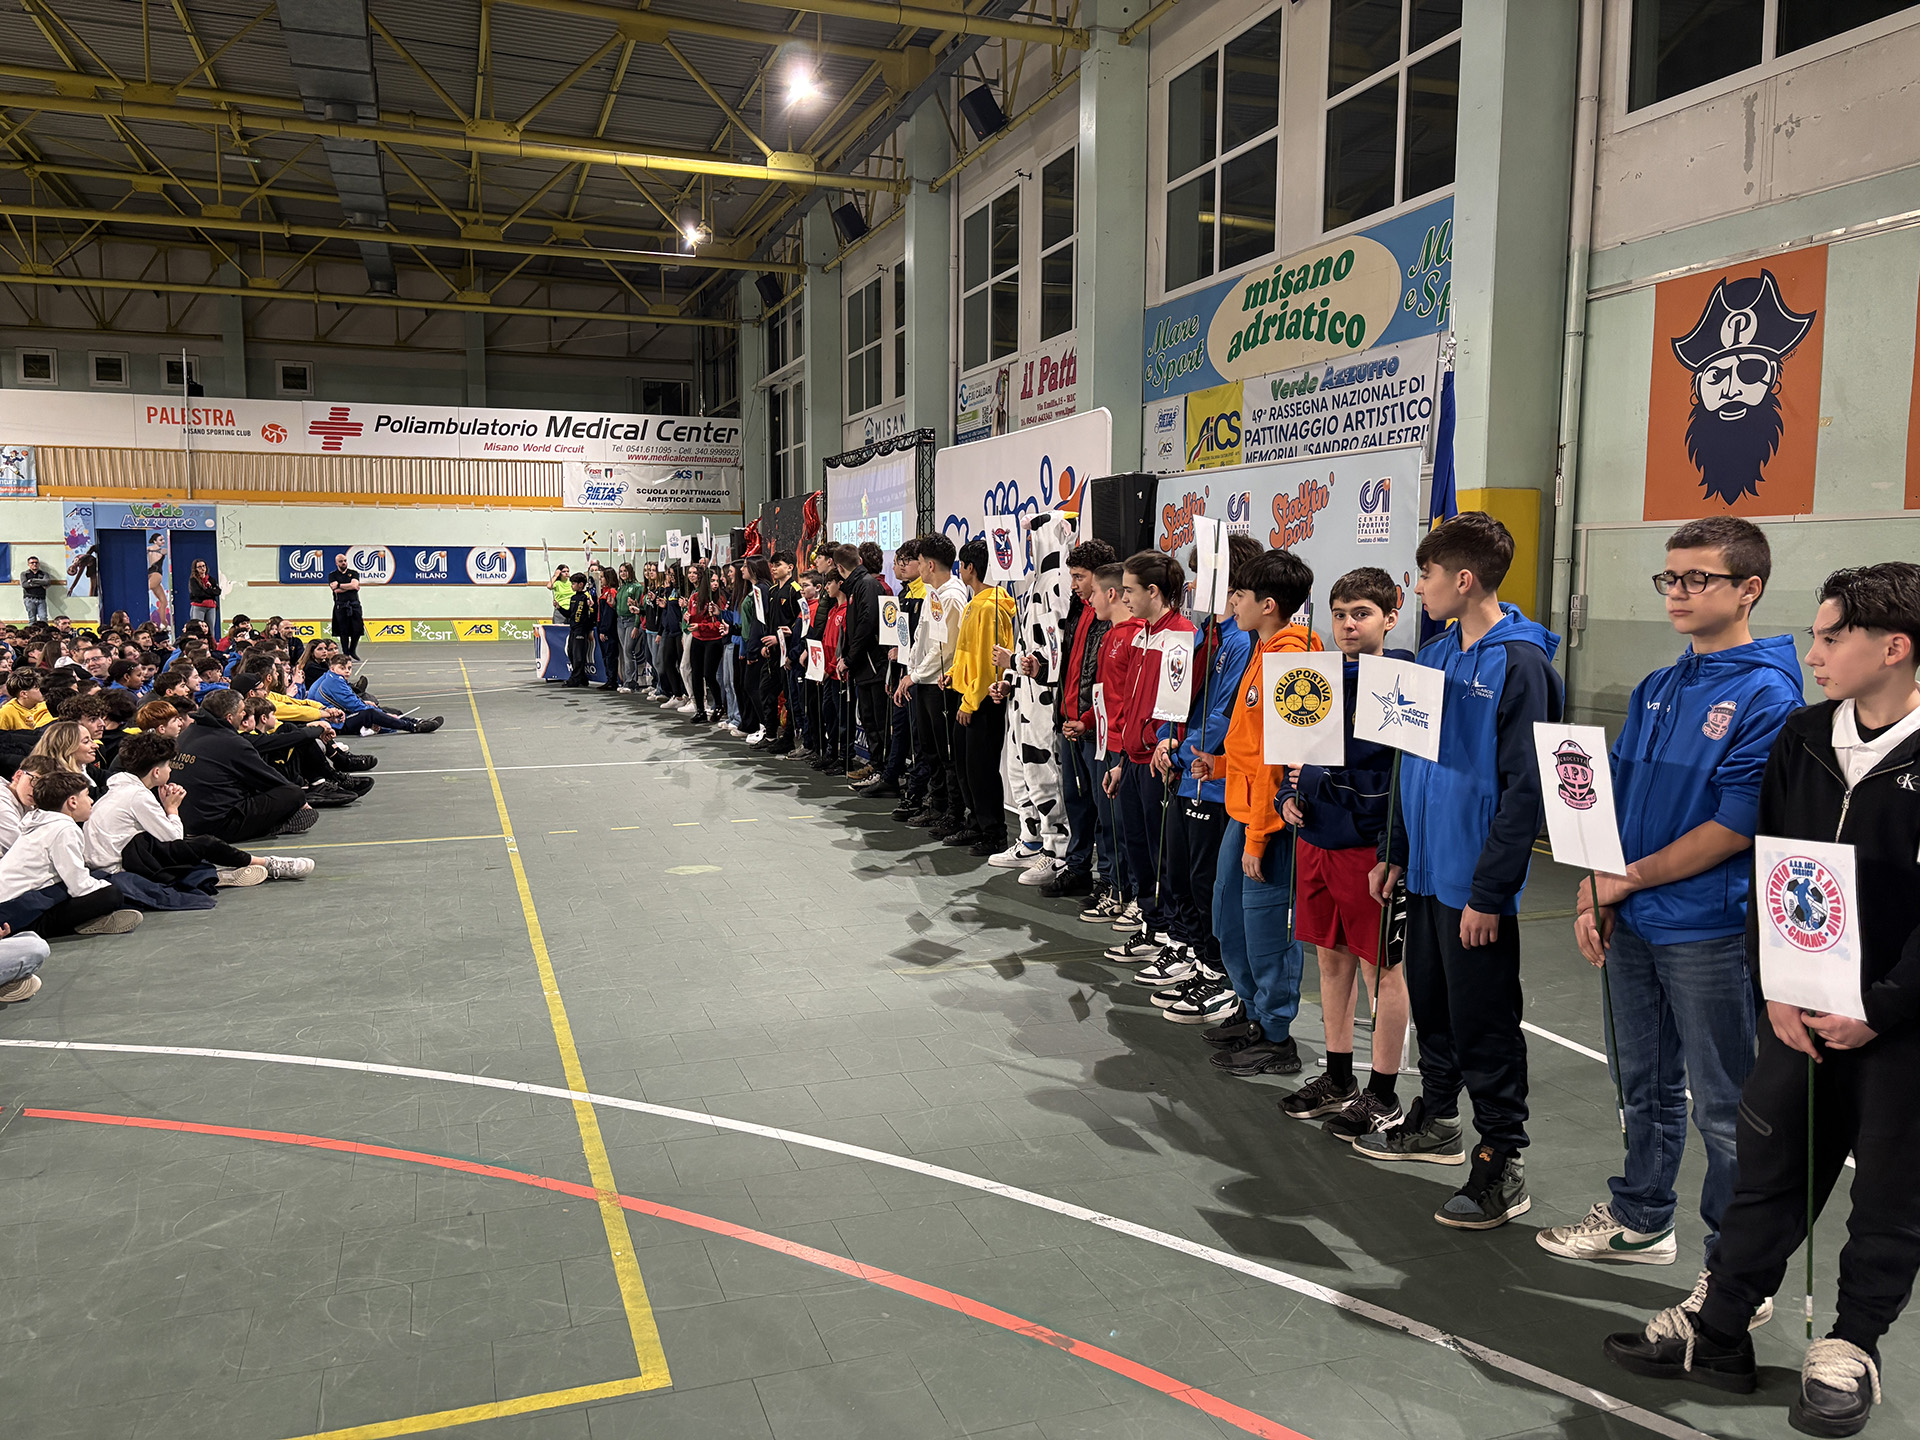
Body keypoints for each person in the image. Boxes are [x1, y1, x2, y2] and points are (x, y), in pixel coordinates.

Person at [1603, 562, 1920, 1438]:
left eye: (1831, 638)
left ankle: (1849, 1346)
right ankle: (1720, 1326)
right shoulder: (1805, 735)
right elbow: (1771, 866)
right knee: (1767, 1173)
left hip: (1897, 1024)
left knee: (1889, 1192)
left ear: (1893, 648)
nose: (1813, 654)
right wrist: (1776, 985)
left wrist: (1882, 1008)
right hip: (1798, 1010)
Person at [1541, 518, 1801, 1299]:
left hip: (1707, 930)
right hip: (1634, 919)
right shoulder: (1658, 687)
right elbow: (1614, 803)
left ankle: (1735, 1273)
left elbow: (1735, 825)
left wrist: (1624, 881)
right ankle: (1642, 1217)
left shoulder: (1769, 695)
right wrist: (1597, 889)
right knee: (1643, 1084)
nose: (1678, 592)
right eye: (1671, 578)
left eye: (1699, 578)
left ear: (1749, 589)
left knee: (1725, 1106)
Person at [1363, 511, 1564, 1232]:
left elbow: (1526, 791)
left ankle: (1502, 1159)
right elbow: (1406, 757)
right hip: (1424, 873)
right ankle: (1438, 1118)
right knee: (1434, 1005)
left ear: (1465, 579)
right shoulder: (1435, 654)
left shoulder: (1523, 666)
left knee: (1486, 1024)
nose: (1418, 588)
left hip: (1474, 885)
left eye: (1426, 576)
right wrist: (1396, 850)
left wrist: (1490, 890)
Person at [1274, 567, 1415, 1136]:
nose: (1348, 625)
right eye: (1339, 614)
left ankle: (1383, 1092)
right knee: (1330, 961)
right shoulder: (1315, 677)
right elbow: (1293, 758)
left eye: (1361, 614)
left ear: (1390, 616)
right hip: (1315, 843)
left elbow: (1399, 781)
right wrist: (1288, 795)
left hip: (1368, 851)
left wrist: (1324, 784)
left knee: (1383, 970)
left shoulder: (1402, 680)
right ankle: (1338, 1078)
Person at [1188, 548, 1319, 1076]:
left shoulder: (1294, 661)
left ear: (1267, 604)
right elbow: (1251, 748)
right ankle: (1252, 1012)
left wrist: (1260, 837)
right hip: (1243, 813)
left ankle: (1276, 1035)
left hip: (1270, 824)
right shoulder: (1262, 651)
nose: (1231, 603)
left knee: (1267, 933)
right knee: (1228, 921)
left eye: (1238, 595)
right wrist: (1219, 766)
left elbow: (1281, 763)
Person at [1140, 534, 1260, 1021]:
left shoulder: (1240, 641)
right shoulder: (1205, 633)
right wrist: (1165, 738)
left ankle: (1218, 971)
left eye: (1205, 575)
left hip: (1214, 778)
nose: (1195, 584)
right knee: (1182, 874)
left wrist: (1183, 747)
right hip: (1184, 772)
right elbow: (1178, 698)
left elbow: (1222, 714)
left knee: (1208, 881)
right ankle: (1196, 956)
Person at [1102, 551, 1199, 963]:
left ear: (1153, 591)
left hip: (1159, 765)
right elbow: (1131, 701)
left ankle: (1175, 938)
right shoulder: (1140, 633)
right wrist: (1122, 759)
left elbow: (1181, 706)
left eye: (1129, 590)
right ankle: (1152, 925)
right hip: (1133, 761)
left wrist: (1167, 744)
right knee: (1138, 849)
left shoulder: (1181, 635)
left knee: (1165, 859)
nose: (1124, 598)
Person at [86, 731, 314, 885]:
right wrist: (172, 809)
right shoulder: (138, 796)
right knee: (204, 843)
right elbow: (174, 838)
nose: (170, 770)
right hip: (121, 866)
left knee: (193, 846)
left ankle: (220, 873)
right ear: (156, 772)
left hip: (110, 859)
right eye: (168, 765)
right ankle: (266, 863)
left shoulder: (119, 787)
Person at [1044, 539, 1119, 899]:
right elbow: (1072, 667)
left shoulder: (1113, 620)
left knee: (1104, 809)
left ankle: (1109, 879)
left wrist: (1088, 720)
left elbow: (1108, 682)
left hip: (1095, 729)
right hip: (1071, 722)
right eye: (1072, 576)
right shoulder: (1080, 611)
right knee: (1076, 802)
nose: (1073, 584)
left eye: (1079, 576)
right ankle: (1078, 868)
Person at [0, 770, 143, 936]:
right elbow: (79, 887)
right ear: (72, 802)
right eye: (87, 795)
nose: (91, 801)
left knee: (99, 878)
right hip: (15, 911)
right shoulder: (64, 829)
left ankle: (87, 919)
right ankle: (45, 927)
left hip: (14, 905)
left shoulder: (41, 822)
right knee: (112, 894)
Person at [947, 538, 1017, 856]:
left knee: (982, 769)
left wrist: (970, 701)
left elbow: (991, 665)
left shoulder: (991, 607)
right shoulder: (974, 603)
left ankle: (994, 832)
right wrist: (953, 674)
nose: (959, 571)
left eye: (960, 565)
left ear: (970, 568)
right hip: (966, 695)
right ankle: (975, 823)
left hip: (982, 700)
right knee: (965, 767)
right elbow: (967, 652)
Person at [173, 689, 317, 841]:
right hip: (219, 824)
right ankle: (269, 825)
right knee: (293, 792)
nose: (244, 714)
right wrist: (300, 802)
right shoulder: (232, 742)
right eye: (242, 711)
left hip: (182, 821)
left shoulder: (186, 735)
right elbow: (270, 779)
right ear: (229, 718)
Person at [902, 535, 967, 831]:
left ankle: (953, 811)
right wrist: (911, 671)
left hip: (941, 684)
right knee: (929, 749)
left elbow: (946, 648)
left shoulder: (952, 596)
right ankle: (937, 804)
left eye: (918, 562)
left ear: (929, 565)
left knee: (946, 751)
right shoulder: (933, 593)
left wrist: (915, 675)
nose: (916, 568)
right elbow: (922, 638)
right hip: (924, 681)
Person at [309, 655, 443, 733]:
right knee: (371, 713)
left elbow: (349, 702)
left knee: (383, 710)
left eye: (349, 668)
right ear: (332, 668)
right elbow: (355, 706)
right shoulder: (334, 682)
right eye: (342, 668)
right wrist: (381, 713)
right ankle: (413, 726)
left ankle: (416, 721)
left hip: (339, 716)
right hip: (337, 724)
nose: (347, 671)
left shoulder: (331, 677)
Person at [328, 553, 364, 659]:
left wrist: (340, 585)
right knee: (343, 631)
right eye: (341, 561)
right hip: (341, 606)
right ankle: (346, 653)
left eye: (345, 560)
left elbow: (354, 585)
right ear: (336, 563)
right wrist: (349, 587)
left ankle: (352, 650)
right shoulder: (333, 575)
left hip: (354, 605)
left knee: (357, 630)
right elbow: (335, 590)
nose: (343, 563)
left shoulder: (354, 573)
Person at [563, 574, 596, 689]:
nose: (572, 586)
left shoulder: (587, 597)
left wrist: (589, 627)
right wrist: (559, 607)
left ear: (581, 584)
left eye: (573, 583)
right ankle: (582, 677)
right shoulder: (573, 598)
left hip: (581, 629)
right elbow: (569, 614)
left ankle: (575, 678)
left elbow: (591, 614)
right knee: (571, 652)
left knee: (578, 656)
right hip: (573, 629)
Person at [19, 555, 62, 624]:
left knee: (43, 617)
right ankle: (32, 631)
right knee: (32, 618)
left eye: (36, 562)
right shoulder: (24, 574)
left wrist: (32, 581)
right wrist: (41, 584)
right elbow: (24, 585)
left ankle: (44, 631)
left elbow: (47, 582)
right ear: (28, 564)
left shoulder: (44, 574)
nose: (34, 564)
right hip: (29, 599)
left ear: (39, 564)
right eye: (32, 563)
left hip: (41, 599)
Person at [188, 557, 220, 633]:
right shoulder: (193, 580)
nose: (202, 568)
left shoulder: (211, 579)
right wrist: (211, 592)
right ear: (195, 569)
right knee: (198, 628)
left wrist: (207, 591)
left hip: (211, 607)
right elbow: (198, 593)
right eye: (199, 567)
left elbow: (218, 591)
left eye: (203, 566)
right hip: (199, 606)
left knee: (210, 629)